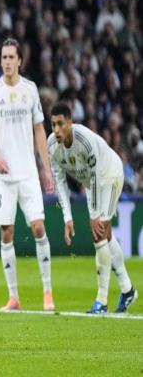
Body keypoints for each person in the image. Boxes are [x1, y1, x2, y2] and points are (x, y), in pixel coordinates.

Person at [0, 38, 55, 311]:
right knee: (6, 233)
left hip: (28, 173)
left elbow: (39, 130)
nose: (7, 61)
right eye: (4, 57)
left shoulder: (30, 90)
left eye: (12, 57)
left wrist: (46, 169)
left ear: (20, 60)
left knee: (38, 228)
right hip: (4, 177)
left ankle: (48, 293)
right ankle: (13, 298)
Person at [48, 102, 138, 313]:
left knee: (98, 233)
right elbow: (60, 182)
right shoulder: (52, 146)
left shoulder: (85, 141)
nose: (57, 130)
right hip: (92, 184)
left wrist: (95, 215)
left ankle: (102, 301)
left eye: (60, 124)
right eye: (53, 125)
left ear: (70, 123)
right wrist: (67, 217)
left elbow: (97, 176)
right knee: (105, 235)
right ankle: (127, 289)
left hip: (110, 175)